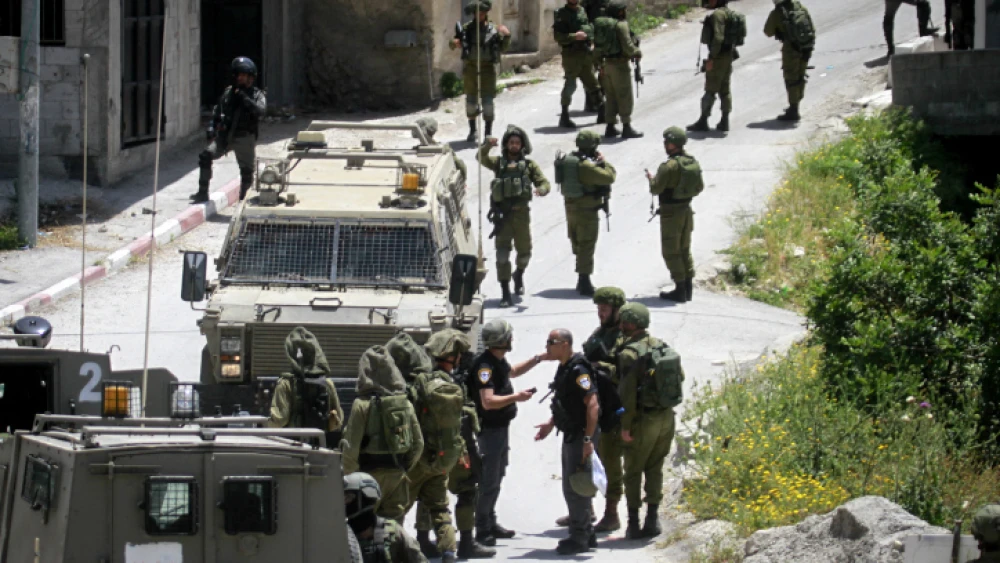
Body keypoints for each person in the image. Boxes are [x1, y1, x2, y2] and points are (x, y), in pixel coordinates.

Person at [468, 318, 546, 546]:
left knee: (498, 475)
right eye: (508, 336)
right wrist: (516, 397)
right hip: (489, 431)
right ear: (501, 340)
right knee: (489, 480)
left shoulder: (498, 361)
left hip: (500, 429)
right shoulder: (485, 367)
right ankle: (482, 528)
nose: (512, 339)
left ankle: (490, 520)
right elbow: (488, 401)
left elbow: (513, 372)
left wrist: (538, 359)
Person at [555, 286, 626, 530]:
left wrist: (601, 368)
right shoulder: (600, 333)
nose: (600, 313)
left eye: (605, 309)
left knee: (608, 463)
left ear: (617, 310)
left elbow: (624, 371)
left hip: (611, 409)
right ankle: (584, 511)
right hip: (591, 407)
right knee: (584, 462)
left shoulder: (623, 337)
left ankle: (611, 513)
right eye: (598, 308)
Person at [397, 330, 468, 563]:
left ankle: (393, 551)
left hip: (420, 459)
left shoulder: (422, 382)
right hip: (443, 459)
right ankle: (448, 552)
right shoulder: (454, 384)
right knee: (440, 509)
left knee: (398, 508)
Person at [616, 302, 684, 540]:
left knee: (633, 471)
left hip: (643, 420)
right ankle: (652, 519)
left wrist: (626, 426)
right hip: (666, 417)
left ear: (630, 323)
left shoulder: (629, 354)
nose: (620, 325)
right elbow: (680, 376)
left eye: (623, 321)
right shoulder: (661, 346)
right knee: (655, 468)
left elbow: (627, 395)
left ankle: (634, 523)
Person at [534, 329, 600, 555]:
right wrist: (551, 423)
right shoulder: (565, 367)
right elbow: (566, 402)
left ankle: (579, 537)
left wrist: (588, 439)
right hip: (573, 433)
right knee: (575, 483)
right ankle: (587, 533)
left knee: (575, 486)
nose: (547, 346)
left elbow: (593, 405)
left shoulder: (579, 370)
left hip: (581, 435)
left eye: (551, 342)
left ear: (564, 344)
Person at [341, 346, 425, 523]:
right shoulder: (405, 403)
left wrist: (348, 477)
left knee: (364, 527)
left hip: (367, 477)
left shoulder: (361, 404)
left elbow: (351, 448)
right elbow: (418, 444)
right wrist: (403, 467)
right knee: (393, 528)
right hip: (397, 474)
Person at [477, 126, 551, 308]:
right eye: (511, 142)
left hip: (521, 216)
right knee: (502, 256)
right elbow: (481, 157)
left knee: (524, 253)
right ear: (506, 144)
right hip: (503, 217)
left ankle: (518, 274)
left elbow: (543, 182)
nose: (514, 145)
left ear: (522, 145)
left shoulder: (529, 165)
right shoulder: (499, 163)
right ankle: (505, 292)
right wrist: (487, 145)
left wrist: (542, 189)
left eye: (517, 143)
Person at [193, 56, 266, 204]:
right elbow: (217, 111)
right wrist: (212, 127)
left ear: (251, 78)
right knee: (206, 155)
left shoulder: (257, 95)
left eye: (244, 75)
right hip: (225, 135)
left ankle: (243, 200)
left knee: (246, 172)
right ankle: (202, 192)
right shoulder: (228, 93)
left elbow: (261, 111)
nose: (240, 78)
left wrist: (245, 99)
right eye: (238, 75)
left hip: (244, 137)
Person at [645, 127, 704, 303]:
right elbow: (700, 187)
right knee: (685, 249)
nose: (665, 144)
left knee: (671, 251)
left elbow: (656, 188)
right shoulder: (691, 162)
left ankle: (680, 289)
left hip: (671, 214)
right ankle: (688, 288)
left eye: (667, 142)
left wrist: (651, 179)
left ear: (673, 144)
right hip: (686, 210)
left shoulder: (669, 166)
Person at [556, 130, 617, 296]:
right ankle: (584, 281)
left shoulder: (569, 160)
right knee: (587, 244)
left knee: (577, 241)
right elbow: (609, 177)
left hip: (571, 208)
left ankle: (581, 275)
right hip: (586, 211)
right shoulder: (586, 166)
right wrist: (603, 162)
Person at [451, 1, 512, 142]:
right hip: (471, 68)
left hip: (487, 69)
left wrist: (507, 36)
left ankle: (488, 133)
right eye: (477, 13)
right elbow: (453, 42)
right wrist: (454, 43)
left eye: (482, 13)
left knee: (488, 103)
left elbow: (503, 48)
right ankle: (473, 130)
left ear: (486, 13)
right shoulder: (466, 29)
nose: (480, 15)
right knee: (471, 102)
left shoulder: (494, 29)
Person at [266, 327, 344, 433]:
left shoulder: (286, 384)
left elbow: (279, 421)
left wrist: (264, 425)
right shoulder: (327, 384)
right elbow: (338, 421)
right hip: (320, 440)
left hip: (291, 441)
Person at [344, 472, 429, 563]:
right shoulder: (340, 535)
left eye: (348, 497)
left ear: (365, 498)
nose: (344, 502)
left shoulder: (392, 531)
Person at [688, 0, 740, 133]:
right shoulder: (729, 13)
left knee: (710, 89)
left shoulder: (717, 15)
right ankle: (725, 121)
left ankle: (703, 120)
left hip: (718, 57)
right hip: (728, 55)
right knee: (725, 89)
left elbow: (718, 38)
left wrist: (712, 57)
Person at [596, 2, 644, 139]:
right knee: (624, 95)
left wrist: (599, 65)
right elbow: (628, 46)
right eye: (623, 10)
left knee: (610, 97)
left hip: (606, 65)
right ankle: (626, 127)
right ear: (620, 12)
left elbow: (597, 48)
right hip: (619, 66)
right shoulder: (621, 25)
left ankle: (610, 127)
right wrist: (637, 52)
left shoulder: (603, 25)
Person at [553, 0, 603, 128]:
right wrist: (574, 36)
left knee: (593, 84)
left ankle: (602, 111)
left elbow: (588, 28)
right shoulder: (561, 14)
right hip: (571, 56)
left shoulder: (582, 11)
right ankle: (564, 116)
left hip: (585, 54)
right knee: (570, 85)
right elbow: (558, 36)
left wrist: (591, 40)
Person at [763, 0, 815, 122]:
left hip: (791, 49)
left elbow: (767, 32)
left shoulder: (777, 13)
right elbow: (811, 27)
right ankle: (796, 102)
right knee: (800, 75)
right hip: (806, 46)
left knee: (791, 78)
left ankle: (793, 110)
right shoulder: (799, 6)